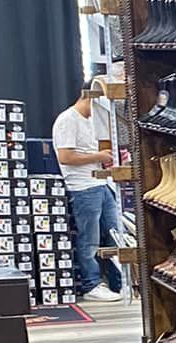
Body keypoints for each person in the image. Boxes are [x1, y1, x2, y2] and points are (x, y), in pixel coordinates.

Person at [52, 84, 124, 304]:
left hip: (100, 184)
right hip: (83, 187)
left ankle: (118, 282)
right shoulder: (67, 120)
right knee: (89, 239)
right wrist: (98, 156)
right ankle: (91, 284)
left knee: (114, 233)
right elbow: (65, 157)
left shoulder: (89, 121)